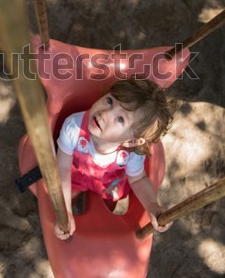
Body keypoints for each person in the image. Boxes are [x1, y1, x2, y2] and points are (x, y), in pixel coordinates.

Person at [54, 76, 176, 240]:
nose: (104, 114)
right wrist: (66, 210)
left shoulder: (132, 153)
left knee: (108, 203)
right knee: (68, 196)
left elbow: (138, 179)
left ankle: (101, 210)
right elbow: (62, 169)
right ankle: (72, 208)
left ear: (132, 141)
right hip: (76, 174)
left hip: (108, 183)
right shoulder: (74, 126)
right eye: (110, 101)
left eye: (120, 119)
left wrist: (152, 205)